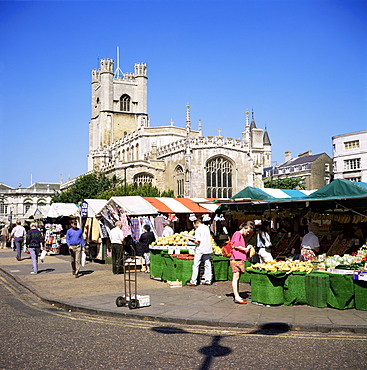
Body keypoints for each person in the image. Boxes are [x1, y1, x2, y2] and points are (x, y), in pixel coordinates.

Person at [230, 223, 254, 304]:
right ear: (244, 228)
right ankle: (236, 296)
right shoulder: (237, 234)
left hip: (239, 258)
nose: (248, 233)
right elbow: (236, 245)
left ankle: (237, 295)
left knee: (237, 278)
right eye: (247, 231)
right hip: (236, 258)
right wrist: (246, 249)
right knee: (235, 278)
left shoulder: (240, 235)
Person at [187, 218, 212, 286]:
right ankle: (208, 280)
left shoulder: (198, 230)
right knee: (207, 264)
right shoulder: (206, 227)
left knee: (196, 264)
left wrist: (190, 239)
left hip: (200, 248)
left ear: (196, 223)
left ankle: (193, 281)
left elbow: (197, 241)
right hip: (207, 247)